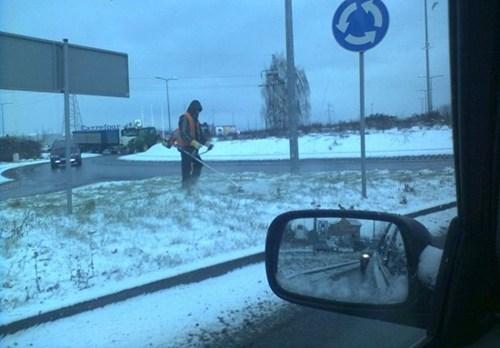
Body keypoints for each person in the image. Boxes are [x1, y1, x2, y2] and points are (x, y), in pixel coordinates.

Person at [176, 100, 213, 190]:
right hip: (185, 148)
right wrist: (193, 142)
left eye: (199, 112)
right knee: (186, 168)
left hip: (193, 148)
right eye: (197, 111)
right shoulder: (184, 118)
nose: (198, 113)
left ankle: (192, 183)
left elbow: (199, 135)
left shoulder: (196, 121)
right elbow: (183, 133)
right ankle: (185, 188)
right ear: (193, 109)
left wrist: (206, 144)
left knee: (199, 164)